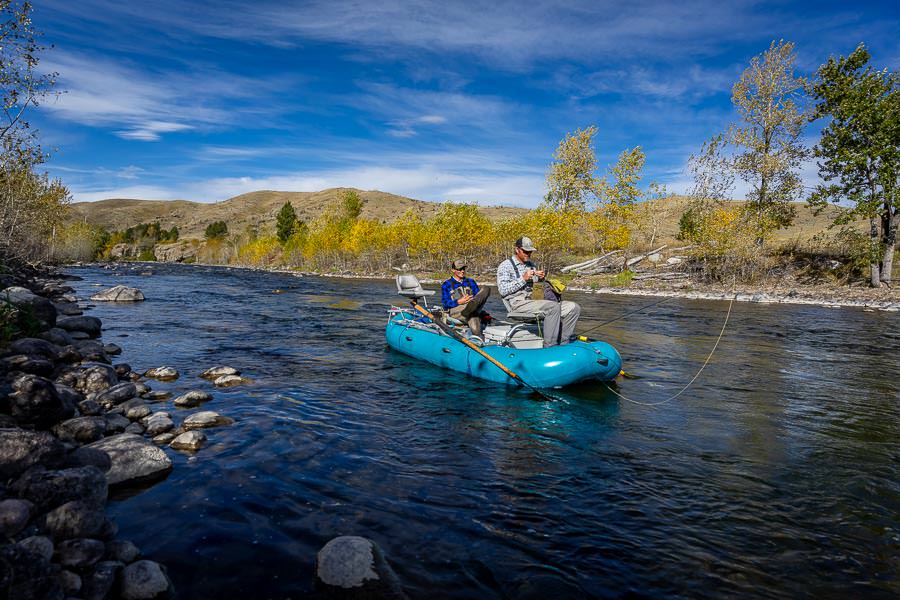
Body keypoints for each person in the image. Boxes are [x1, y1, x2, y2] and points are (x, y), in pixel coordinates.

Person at [496, 236, 580, 347]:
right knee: (553, 307)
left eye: (530, 251)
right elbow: (503, 290)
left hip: (535, 301)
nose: (528, 254)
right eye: (525, 251)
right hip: (518, 304)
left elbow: (537, 291)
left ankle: (564, 344)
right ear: (517, 250)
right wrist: (523, 279)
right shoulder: (505, 266)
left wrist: (541, 279)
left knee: (573, 308)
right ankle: (550, 346)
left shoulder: (532, 265)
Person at [441, 259, 491, 336]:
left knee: (486, 289)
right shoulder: (446, 284)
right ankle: (478, 338)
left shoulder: (471, 281)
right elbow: (445, 303)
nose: (462, 271)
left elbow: (479, 297)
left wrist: (473, 301)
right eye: (459, 269)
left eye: (463, 269)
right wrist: (458, 302)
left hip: (474, 306)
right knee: (473, 314)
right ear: (453, 270)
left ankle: (471, 306)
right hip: (457, 310)